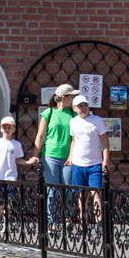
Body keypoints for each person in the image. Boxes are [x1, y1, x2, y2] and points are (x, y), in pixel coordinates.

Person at [25, 83, 77, 226]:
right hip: (50, 156)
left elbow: (75, 138)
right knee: (52, 190)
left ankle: (68, 217)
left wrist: (71, 156)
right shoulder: (49, 113)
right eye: (72, 95)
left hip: (67, 157)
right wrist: (36, 155)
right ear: (64, 97)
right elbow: (40, 135)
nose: (74, 98)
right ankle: (52, 221)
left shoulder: (73, 113)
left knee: (68, 188)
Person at [0, 116, 25, 216]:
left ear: (14, 129)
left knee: (9, 199)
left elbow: (18, 159)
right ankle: (2, 217)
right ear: (1, 129)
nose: (6, 130)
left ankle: (6, 218)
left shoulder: (16, 144)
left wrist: (29, 162)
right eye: (4, 128)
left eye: (9, 127)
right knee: (0, 200)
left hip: (10, 176)